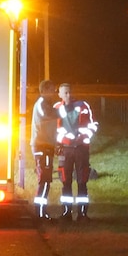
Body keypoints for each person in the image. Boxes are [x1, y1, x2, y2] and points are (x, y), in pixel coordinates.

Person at [54, 82, 98, 222]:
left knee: (82, 181)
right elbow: (53, 129)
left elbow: (93, 125)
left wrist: (82, 137)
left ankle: (82, 214)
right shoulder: (56, 108)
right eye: (65, 93)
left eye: (69, 92)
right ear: (59, 94)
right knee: (66, 182)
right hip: (65, 150)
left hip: (81, 149)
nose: (68, 95)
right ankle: (66, 213)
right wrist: (60, 141)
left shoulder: (83, 106)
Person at [29, 79, 58, 220]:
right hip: (42, 146)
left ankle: (41, 212)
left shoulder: (46, 104)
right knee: (44, 180)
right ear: (44, 90)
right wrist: (65, 111)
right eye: (52, 89)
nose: (54, 92)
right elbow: (51, 115)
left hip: (47, 146)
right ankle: (40, 213)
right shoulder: (42, 104)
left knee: (46, 180)